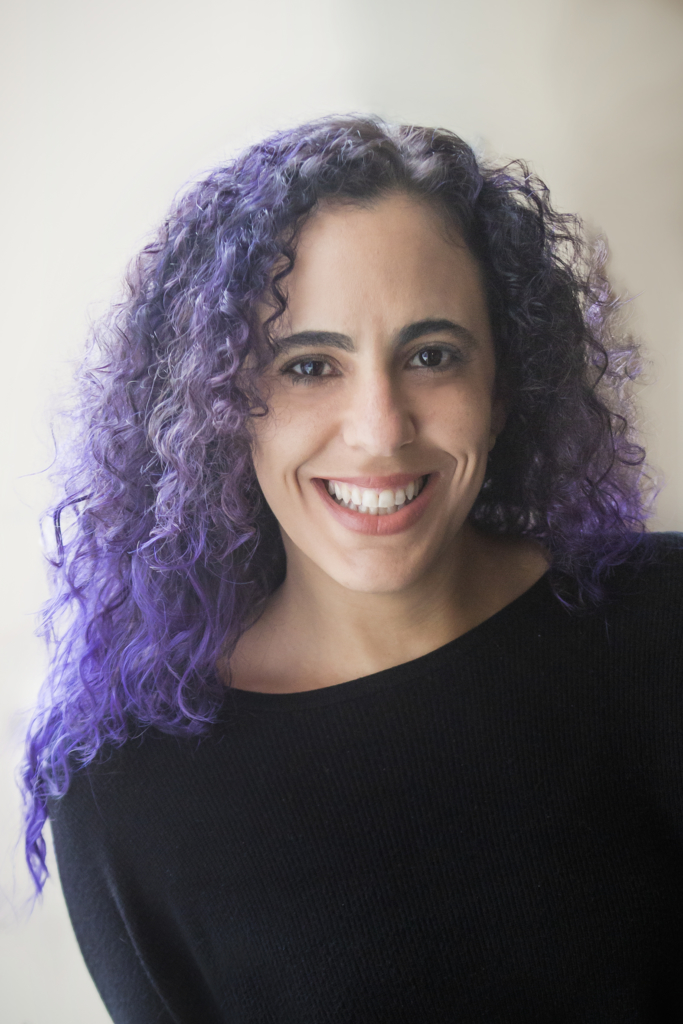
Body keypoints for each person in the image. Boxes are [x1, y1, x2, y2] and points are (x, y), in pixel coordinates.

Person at [22, 115, 683, 1022]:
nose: (380, 430)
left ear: (501, 390)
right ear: (220, 410)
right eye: (308, 366)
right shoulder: (124, 790)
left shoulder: (665, 624)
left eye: (431, 356)